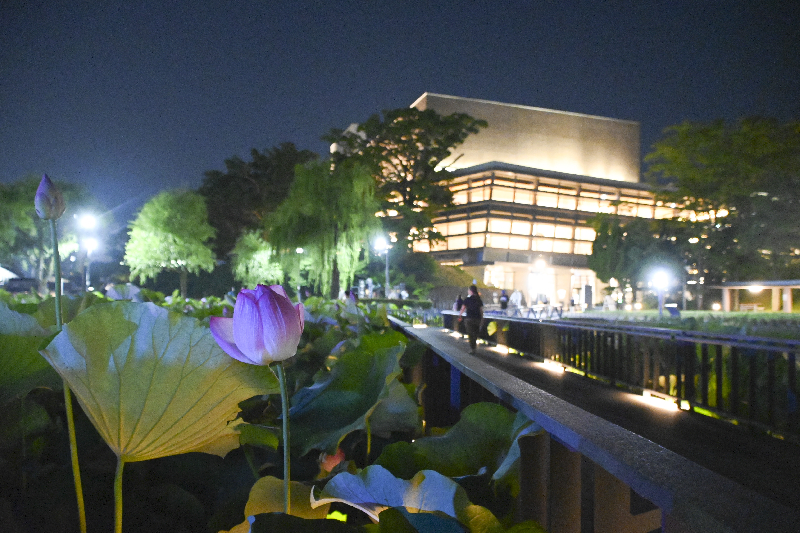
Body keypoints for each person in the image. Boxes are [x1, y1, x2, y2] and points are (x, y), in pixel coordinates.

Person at [458, 285, 483, 354]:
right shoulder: (479, 299)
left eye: (468, 290)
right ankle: (474, 347)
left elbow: (462, 308)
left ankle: (473, 348)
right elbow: (481, 310)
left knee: (470, 334)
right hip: (477, 319)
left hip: (469, 319)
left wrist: (460, 315)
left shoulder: (467, 299)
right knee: (475, 333)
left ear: (471, 291)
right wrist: (482, 319)